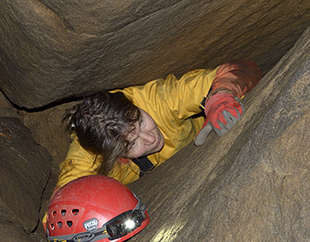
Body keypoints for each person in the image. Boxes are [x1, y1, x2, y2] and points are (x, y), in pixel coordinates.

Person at [55, 59, 263, 189]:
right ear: (113, 154)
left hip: (197, 143)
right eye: (132, 144)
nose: (150, 137)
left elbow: (240, 69)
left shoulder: (156, 100)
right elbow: (62, 208)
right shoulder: (89, 158)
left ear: (133, 106)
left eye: (141, 122)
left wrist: (220, 98)